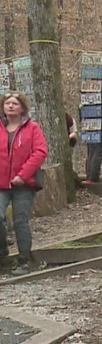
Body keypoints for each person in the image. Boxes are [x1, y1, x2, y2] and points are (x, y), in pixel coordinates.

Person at [0, 91, 48, 275]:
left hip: (24, 184)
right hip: (1, 183)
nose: (11, 106)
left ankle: (24, 260)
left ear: (22, 108)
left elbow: (39, 152)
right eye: (7, 103)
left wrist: (23, 175)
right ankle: (2, 256)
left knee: (20, 220)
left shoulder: (32, 128)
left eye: (15, 103)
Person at [83, 66, 102, 184]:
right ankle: (93, 178)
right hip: (101, 126)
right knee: (98, 152)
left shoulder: (88, 90)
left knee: (91, 152)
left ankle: (89, 176)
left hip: (89, 126)